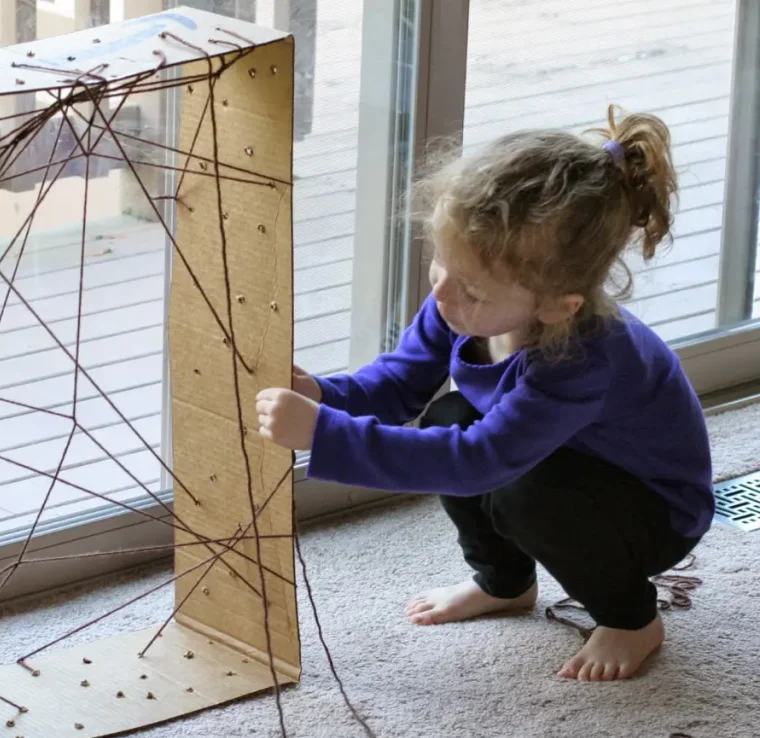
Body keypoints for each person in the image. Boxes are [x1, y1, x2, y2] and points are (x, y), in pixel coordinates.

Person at [255, 106, 714, 683]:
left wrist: (324, 435)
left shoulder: (583, 358)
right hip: (561, 463)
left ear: (556, 305)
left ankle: (630, 617)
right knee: (449, 415)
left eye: (467, 284)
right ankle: (504, 583)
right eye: (441, 262)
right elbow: (399, 384)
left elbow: (477, 462)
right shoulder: (465, 302)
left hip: (653, 511)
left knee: (518, 489)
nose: (442, 291)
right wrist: (322, 395)